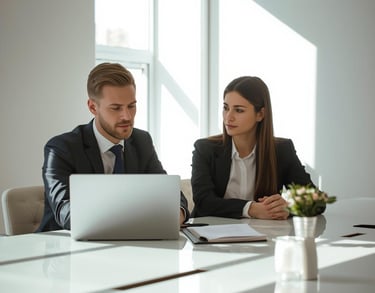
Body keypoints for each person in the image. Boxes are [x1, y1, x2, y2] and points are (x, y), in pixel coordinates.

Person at [37, 62, 189, 232]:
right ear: (93, 107)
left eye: (131, 106)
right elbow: (66, 214)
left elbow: (172, 195)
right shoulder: (61, 149)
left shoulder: (141, 141)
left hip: (128, 247)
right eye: (116, 108)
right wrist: (140, 218)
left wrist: (176, 215)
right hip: (64, 250)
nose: (127, 116)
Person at [191, 76, 314, 220]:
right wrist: (250, 209)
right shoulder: (205, 149)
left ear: (260, 114)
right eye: (226, 108)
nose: (228, 117)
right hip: (210, 236)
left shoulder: (282, 150)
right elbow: (204, 203)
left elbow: (314, 200)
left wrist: (289, 208)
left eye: (239, 110)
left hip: (263, 236)